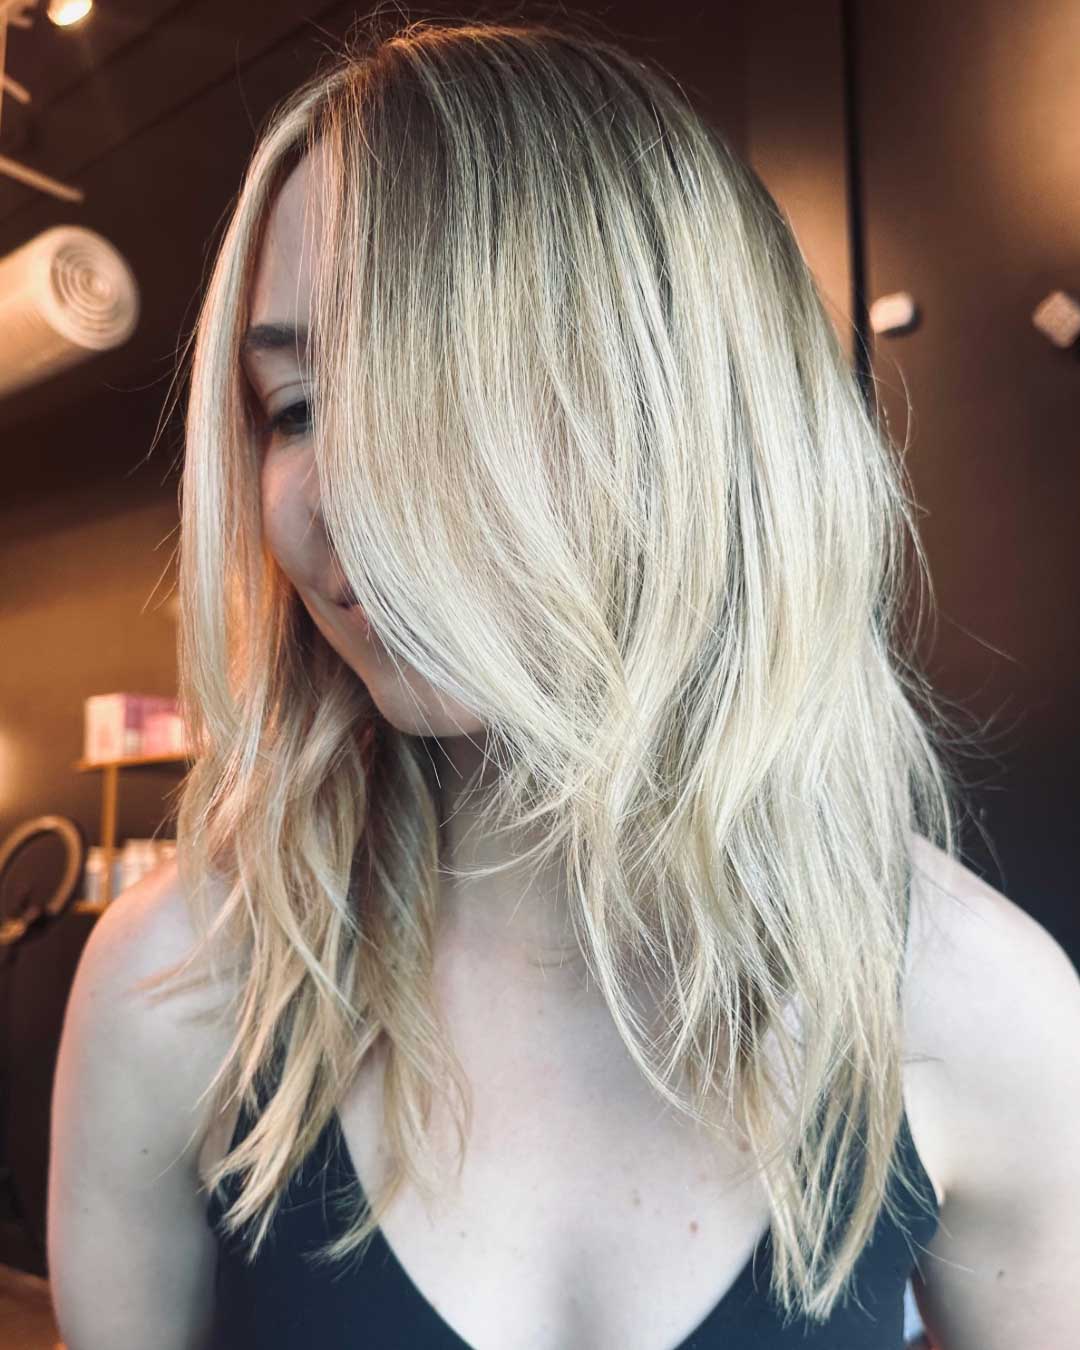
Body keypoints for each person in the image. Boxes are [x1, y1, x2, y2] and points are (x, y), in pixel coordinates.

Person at [47, 15, 1080, 1350]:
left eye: (446, 382)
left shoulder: (978, 1009)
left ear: (686, 405)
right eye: (294, 404)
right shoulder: (178, 989)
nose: (342, 492)